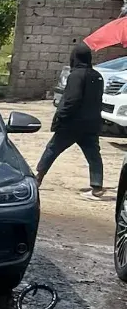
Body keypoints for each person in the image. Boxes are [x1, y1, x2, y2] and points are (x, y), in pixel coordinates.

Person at [37, 43, 107, 199]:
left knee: (52, 149)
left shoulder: (76, 76)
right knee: (94, 156)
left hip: (72, 123)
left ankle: (37, 179)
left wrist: (60, 117)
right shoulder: (97, 76)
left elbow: (71, 100)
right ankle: (97, 187)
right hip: (91, 124)